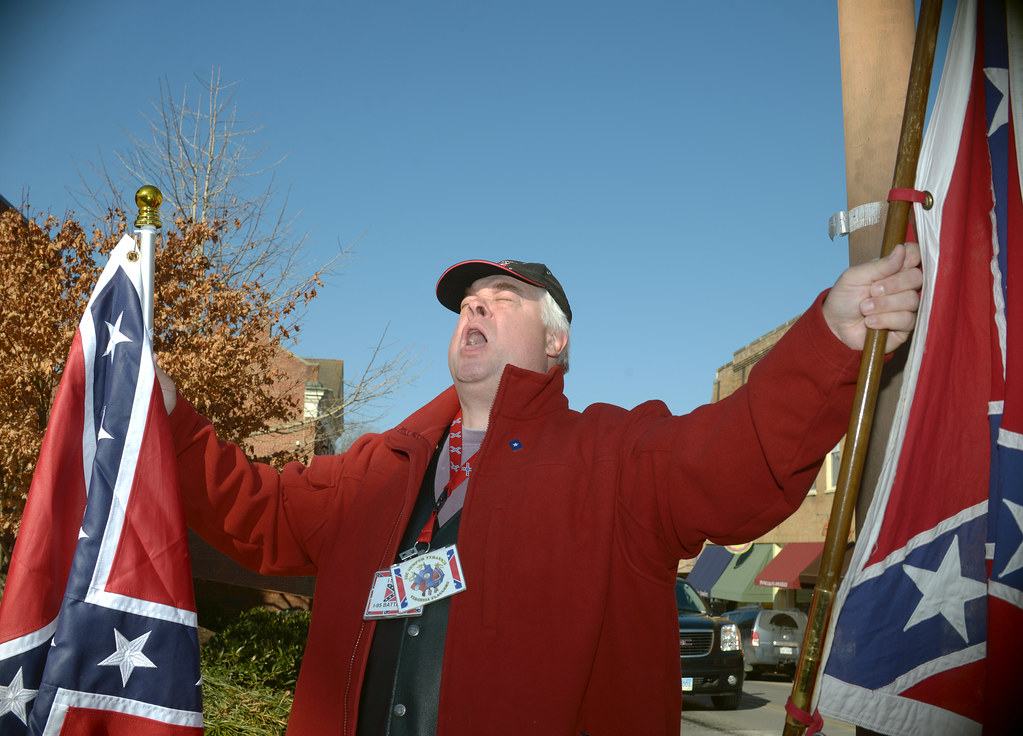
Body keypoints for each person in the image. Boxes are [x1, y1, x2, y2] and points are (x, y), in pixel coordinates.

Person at [157, 245, 922, 735]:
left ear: (556, 342)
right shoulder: (378, 465)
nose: (474, 307)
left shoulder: (614, 455)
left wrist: (828, 334)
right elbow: (258, 510)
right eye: (466, 302)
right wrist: (167, 419)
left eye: (501, 297)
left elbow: (732, 459)